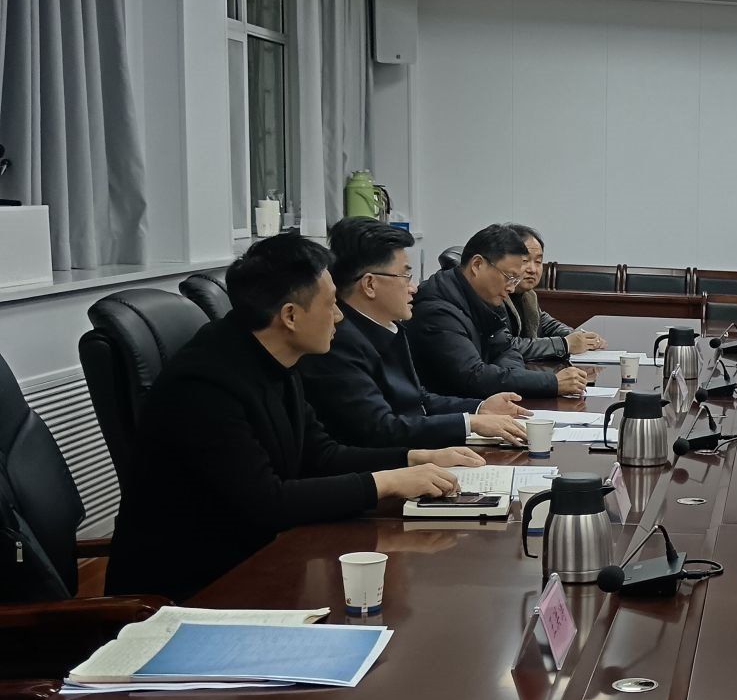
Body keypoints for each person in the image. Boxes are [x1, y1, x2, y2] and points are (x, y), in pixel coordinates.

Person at [106, 234, 471, 601]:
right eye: (331, 304)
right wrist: (386, 482)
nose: (340, 316)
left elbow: (320, 455)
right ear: (290, 316)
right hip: (195, 587)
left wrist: (413, 458)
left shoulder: (274, 356)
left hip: (255, 557)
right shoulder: (204, 385)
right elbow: (267, 502)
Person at [301, 219, 532, 449]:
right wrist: (469, 423)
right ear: (370, 284)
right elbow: (380, 429)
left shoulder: (390, 327)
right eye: (405, 277)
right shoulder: (338, 343)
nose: (413, 288)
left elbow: (419, 399)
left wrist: (480, 409)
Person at [412, 223, 591, 400]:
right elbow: (473, 376)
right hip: (450, 411)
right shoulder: (437, 310)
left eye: (515, 280)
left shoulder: (485, 296)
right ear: (477, 265)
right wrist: (551, 382)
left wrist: (517, 381)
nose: (511, 288)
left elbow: (505, 350)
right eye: (509, 277)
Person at [503, 224, 605, 359]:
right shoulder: (494, 296)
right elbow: (505, 346)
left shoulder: (529, 295)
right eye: (525, 260)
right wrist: (565, 344)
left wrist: (579, 337)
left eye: (538, 261)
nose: (533, 269)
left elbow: (545, 324)